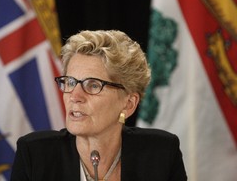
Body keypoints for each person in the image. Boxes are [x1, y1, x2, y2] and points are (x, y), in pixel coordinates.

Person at [10, 30, 187, 181]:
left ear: (128, 104)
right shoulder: (35, 155)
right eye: (70, 82)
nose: (75, 96)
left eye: (93, 85)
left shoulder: (161, 154)